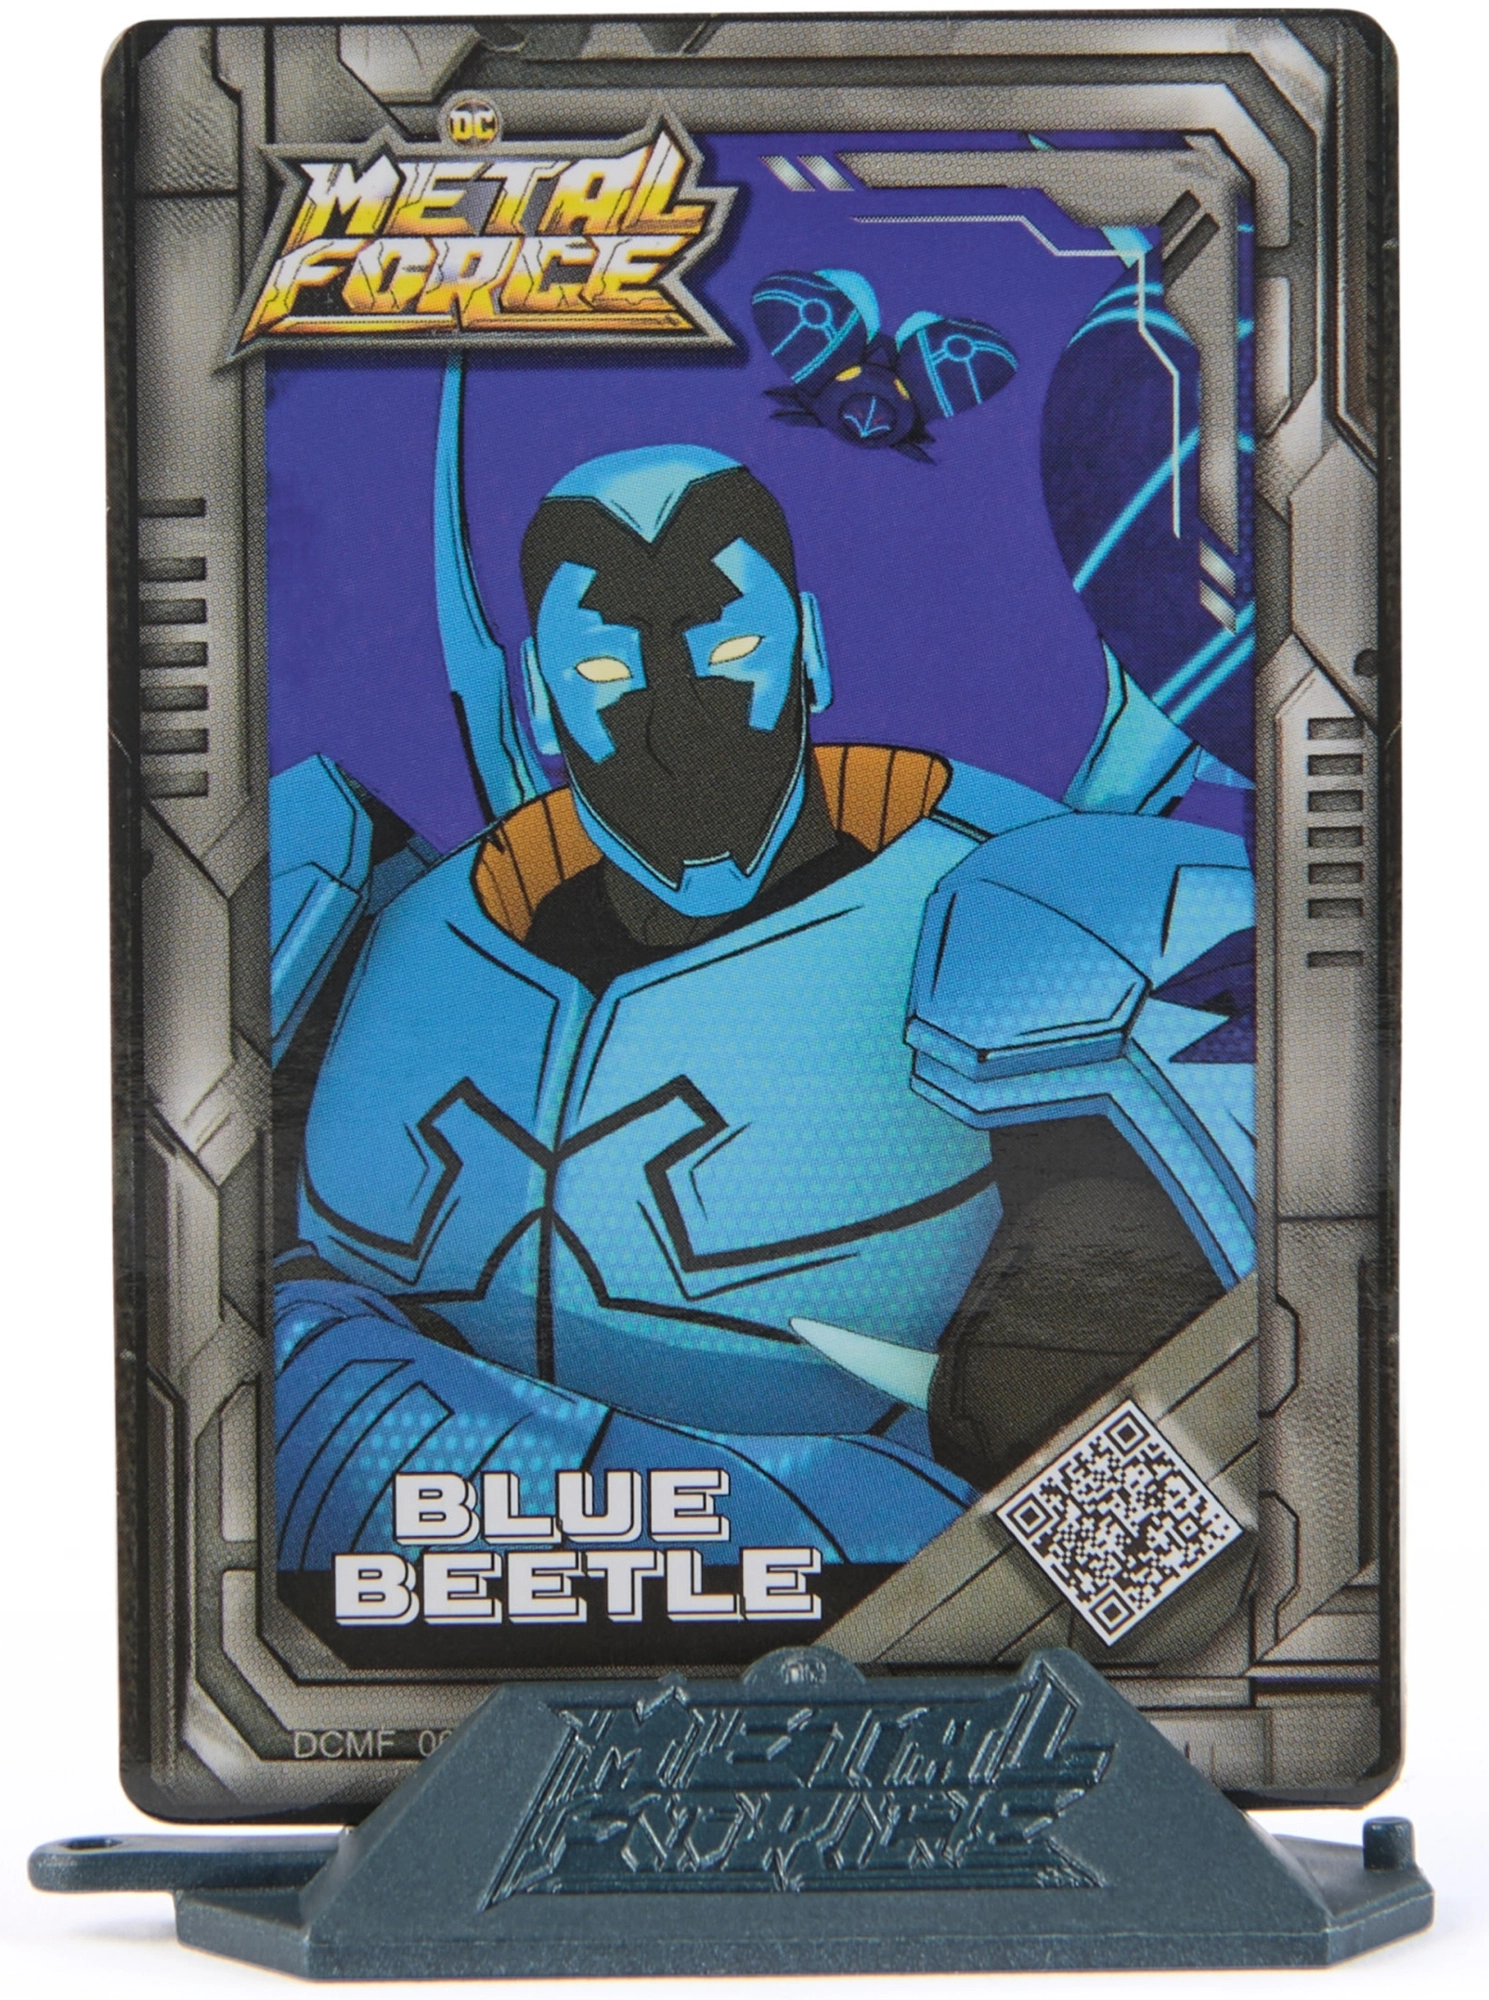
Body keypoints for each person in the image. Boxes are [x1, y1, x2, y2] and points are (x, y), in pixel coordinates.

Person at [270, 436, 1254, 1639]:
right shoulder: (350, 915)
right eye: (607, 664)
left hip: (866, 1641)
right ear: (537, 695)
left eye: (727, 648)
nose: (675, 712)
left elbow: (1175, 1544)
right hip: (378, 1604)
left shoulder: (1037, 919)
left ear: (811, 648)